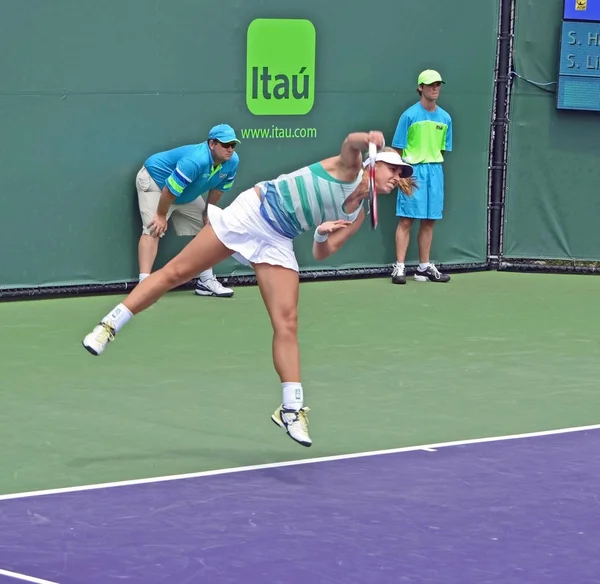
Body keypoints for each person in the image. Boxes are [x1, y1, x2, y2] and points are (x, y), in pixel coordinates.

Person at [82, 132, 415, 448]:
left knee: (287, 322)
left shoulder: (357, 213)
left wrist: (321, 234)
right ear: (375, 163)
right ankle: (109, 325)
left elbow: (323, 252)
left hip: (279, 238)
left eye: (402, 172)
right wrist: (366, 139)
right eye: (393, 168)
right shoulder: (348, 167)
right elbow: (350, 143)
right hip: (252, 211)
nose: (396, 176)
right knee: (175, 272)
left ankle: (291, 409)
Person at [136, 123, 240, 298]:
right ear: (212, 144)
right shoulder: (196, 160)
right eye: (225, 145)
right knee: (153, 227)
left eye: (233, 145)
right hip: (156, 183)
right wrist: (161, 215)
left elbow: (218, 190)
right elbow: (169, 190)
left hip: (184, 192)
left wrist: (208, 212)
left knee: (209, 229)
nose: (230, 149)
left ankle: (205, 282)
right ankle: (143, 287)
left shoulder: (232, 161)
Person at [391, 69, 453, 285]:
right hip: (412, 171)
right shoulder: (409, 116)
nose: (435, 88)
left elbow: (442, 149)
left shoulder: (445, 118)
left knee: (429, 220)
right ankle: (399, 267)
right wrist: (400, 175)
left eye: (438, 84)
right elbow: (397, 149)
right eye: (430, 85)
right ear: (420, 88)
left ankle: (423, 268)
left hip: (435, 172)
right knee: (406, 220)